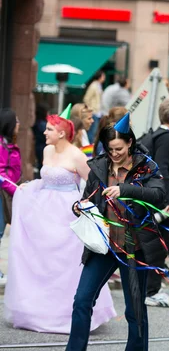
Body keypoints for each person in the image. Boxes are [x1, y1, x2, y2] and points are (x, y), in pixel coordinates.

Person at [5, 106, 116, 333]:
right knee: (40, 261)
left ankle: (67, 313)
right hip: (43, 210)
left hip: (67, 211)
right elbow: (44, 179)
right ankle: (37, 311)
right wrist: (29, 187)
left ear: (62, 133)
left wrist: (88, 205)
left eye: (49, 129)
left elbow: (94, 183)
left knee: (67, 263)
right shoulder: (46, 151)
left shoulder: (76, 155)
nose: (44, 132)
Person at [66, 114, 166, 350]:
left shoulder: (147, 166)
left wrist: (125, 189)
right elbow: (87, 197)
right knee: (81, 300)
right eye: (110, 149)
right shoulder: (99, 165)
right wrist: (78, 207)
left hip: (134, 247)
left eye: (119, 148)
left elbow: (160, 195)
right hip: (103, 245)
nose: (114, 154)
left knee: (135, 310)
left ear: (130, 142)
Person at [144, 99, 169, 307]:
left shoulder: (157, 135)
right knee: (159, 244)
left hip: (158, 197)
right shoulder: (167, 138)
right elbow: (162, 168)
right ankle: (152, 290)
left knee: (156, 242)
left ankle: (152, 286)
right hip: (163, 200)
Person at [0, 110, 21, 284]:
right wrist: (15, 189)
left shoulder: (8, 143)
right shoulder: (1, 145)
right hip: (3, 192)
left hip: (8, 191)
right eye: (16, 121)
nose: (19, 124)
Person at [83, 70, 105, 141]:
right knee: (92, 132)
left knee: (94, 132)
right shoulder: (94, 86)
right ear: (100, 76)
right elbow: (86, 98)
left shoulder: (98, 85)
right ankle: (89, 148)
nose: (104, 77)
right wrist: (90, 109)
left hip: (98, 112)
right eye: (103, 76)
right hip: (94, 112)